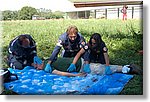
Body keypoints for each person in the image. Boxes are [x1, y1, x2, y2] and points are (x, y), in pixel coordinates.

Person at [68, 33, 142, 75]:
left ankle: (128, 68)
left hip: (100, 55)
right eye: (92, 42)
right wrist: (73, 64)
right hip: (91, 57)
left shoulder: (102, 45)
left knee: (102, 65)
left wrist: (107, 66)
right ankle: (88, 64)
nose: (93, 44)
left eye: (94, 43)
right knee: (87, 52)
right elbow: (79, 53)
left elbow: (106, 56)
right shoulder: (88, 44)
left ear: (98, 42)